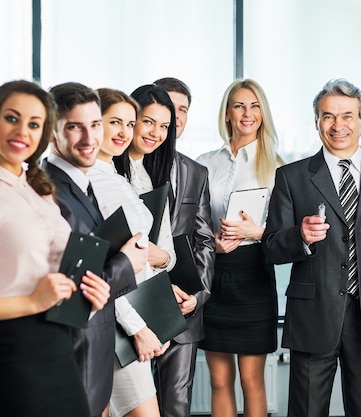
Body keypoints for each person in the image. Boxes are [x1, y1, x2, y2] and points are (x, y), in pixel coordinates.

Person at [0, 80, 112, 417]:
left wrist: (90, 293)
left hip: (60, 351)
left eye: (34, 124)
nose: (22, 132)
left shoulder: (39, 191)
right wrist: (32, 301)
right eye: (12, 118)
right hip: (11, 360)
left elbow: (50, 276)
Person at [261, 78, 361, 417]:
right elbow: (270, 248)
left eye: (347, 115)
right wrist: (298, 236)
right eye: (328, 116)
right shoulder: (292, 177)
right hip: (313, 319)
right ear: (316, 122)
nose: (337, 125)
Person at [41, 82, 146, 417]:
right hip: (78, 350)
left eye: (94, 126)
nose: (89, 139)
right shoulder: (53, 192)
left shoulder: (81, 184)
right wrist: (127, 261)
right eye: (74, 127)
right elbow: (71, 298)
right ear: (51, 130)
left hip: (95, 349)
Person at [196, 79, 281, 417]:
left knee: (251, 379)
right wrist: (210, 244)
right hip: (214, 273)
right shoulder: (204, 162)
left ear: (263, 113)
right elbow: (192, 222)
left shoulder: (278, 165)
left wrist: (254, 231)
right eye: (239, 106)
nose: (247, 113)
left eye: (254, 106)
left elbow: (284, 232)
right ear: (227, 113)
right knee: (219, 379)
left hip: (255, 275)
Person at [86, 88, 169, 417]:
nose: (124, 132)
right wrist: (138, 328)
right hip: (118, 323)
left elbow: (132, 261)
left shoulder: (114, 177)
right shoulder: (95, 183)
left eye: (130, 123)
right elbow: (103, 268)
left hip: (127, 317)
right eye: (114, 122)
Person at [110, 83, 179, 417]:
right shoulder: (107, 174)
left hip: (138, 309)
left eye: (164, 126)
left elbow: (166, 255)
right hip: (115, 316)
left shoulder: (151, 175)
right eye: (148, 121)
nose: (155, 133)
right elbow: (111, 263)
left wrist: (154, 259)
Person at [152, 77, 215, 417]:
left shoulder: (195, 171)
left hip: (182, 306)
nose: (175, 118)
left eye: (182, 110)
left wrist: (199, 295)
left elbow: (204, 239)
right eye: (166, 109)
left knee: (176, 406)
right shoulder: (119, 167)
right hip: (131, 305)